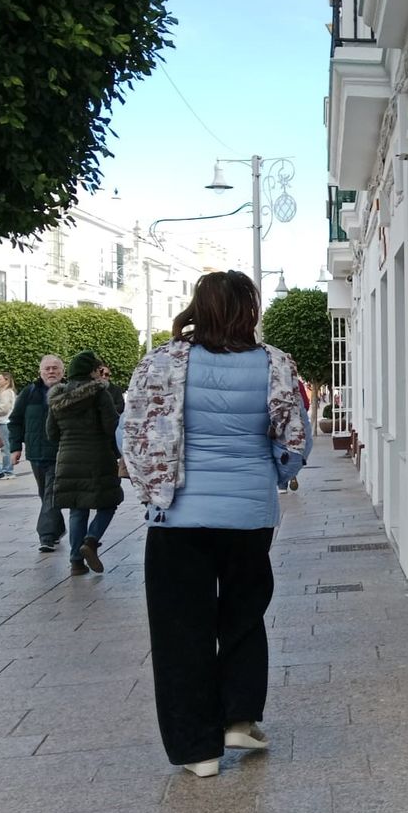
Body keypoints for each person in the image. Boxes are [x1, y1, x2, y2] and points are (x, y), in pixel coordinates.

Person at [121, 271, 311, 778]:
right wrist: (274, 474)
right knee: (244, 617)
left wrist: (153, 488)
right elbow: (294, 440)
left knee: (181, 630)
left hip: (178, 517)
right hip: (250, 516)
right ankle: (239, 718)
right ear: (249, 309)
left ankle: (197, 751)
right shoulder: (275, 364)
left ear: (197, 307)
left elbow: (131, 432)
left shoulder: (161, 363)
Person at [47, 351, 123, 576]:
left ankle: (76, 562)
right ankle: (91, 541)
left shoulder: (57, 398)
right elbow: (111, 426)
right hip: (98, 456)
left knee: (77, 509)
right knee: (109, 503)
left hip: (68, 458)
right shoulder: (101, 394)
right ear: (91, 371)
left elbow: (51, 433)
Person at [9, 355, 67, 552]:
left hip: (60, 452)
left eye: (55, 368)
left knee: (51, 493)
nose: (51, 372)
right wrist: (15, 447)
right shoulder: (29, 393)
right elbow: (15, 420)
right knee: (45, 493)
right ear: (40, 372)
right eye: (47, 368)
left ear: (62, 371)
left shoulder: (69, 392)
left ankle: (47, 535)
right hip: (36, 453)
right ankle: (57, 528)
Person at [0, 372, 18, 476]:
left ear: (6, 380)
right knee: (6, 446)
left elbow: (4, 408)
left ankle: (8, 470)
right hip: (3, 421)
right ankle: (7, 468)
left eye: (0, 379)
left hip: (4, 421)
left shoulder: (6, 392)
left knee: (6, 447)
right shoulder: (5, 391)